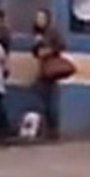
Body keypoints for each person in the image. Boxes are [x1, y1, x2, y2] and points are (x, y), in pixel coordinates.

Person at [31, 8, 66, 140]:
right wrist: (37, 48)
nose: (39, 20)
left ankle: (53, 129)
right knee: (41, 100)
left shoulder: (52, 32)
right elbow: (35, 52)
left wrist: (49, 50)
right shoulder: (37, 34)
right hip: (42, 70)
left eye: (42, 18)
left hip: (51, 70)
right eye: (37, 17)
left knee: (50, 102)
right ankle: (46, 129)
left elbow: (62, 45)